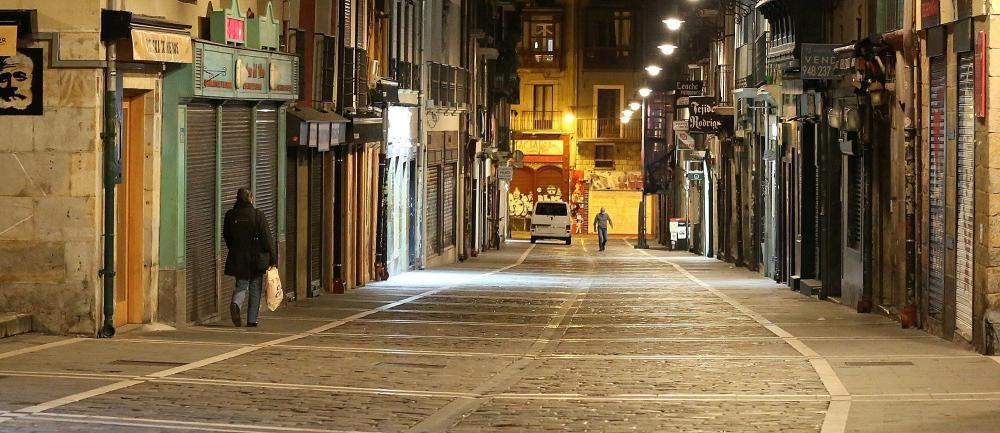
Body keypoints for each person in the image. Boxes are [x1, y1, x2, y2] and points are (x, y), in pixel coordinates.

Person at [223, 188, 276, 327]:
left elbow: (226, 235)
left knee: (241, 284)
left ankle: (236, 303)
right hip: (256, 258)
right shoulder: (258, 215)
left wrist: (234, 249)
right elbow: (267, 238)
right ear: (250, 198)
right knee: (255, 287)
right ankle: (252, 319)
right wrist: (273, 258)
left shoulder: (230, 215)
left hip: (239, 256)